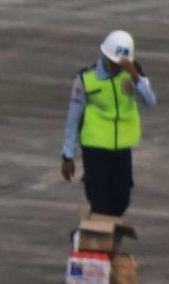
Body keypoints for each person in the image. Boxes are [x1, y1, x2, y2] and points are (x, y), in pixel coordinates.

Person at [61, 30, 155, 218]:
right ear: (105, 55)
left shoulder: (133, 73)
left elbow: (150, 101)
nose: (116, 67)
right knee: (99, 202)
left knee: (121, 201)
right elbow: (73, 118)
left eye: (120, 64)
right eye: (113, 62)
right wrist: (67, 155)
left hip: (122, 146)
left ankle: (105, 238)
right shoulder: (86, 78)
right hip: (95, 146)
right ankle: (96, 241)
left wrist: (136, 78)